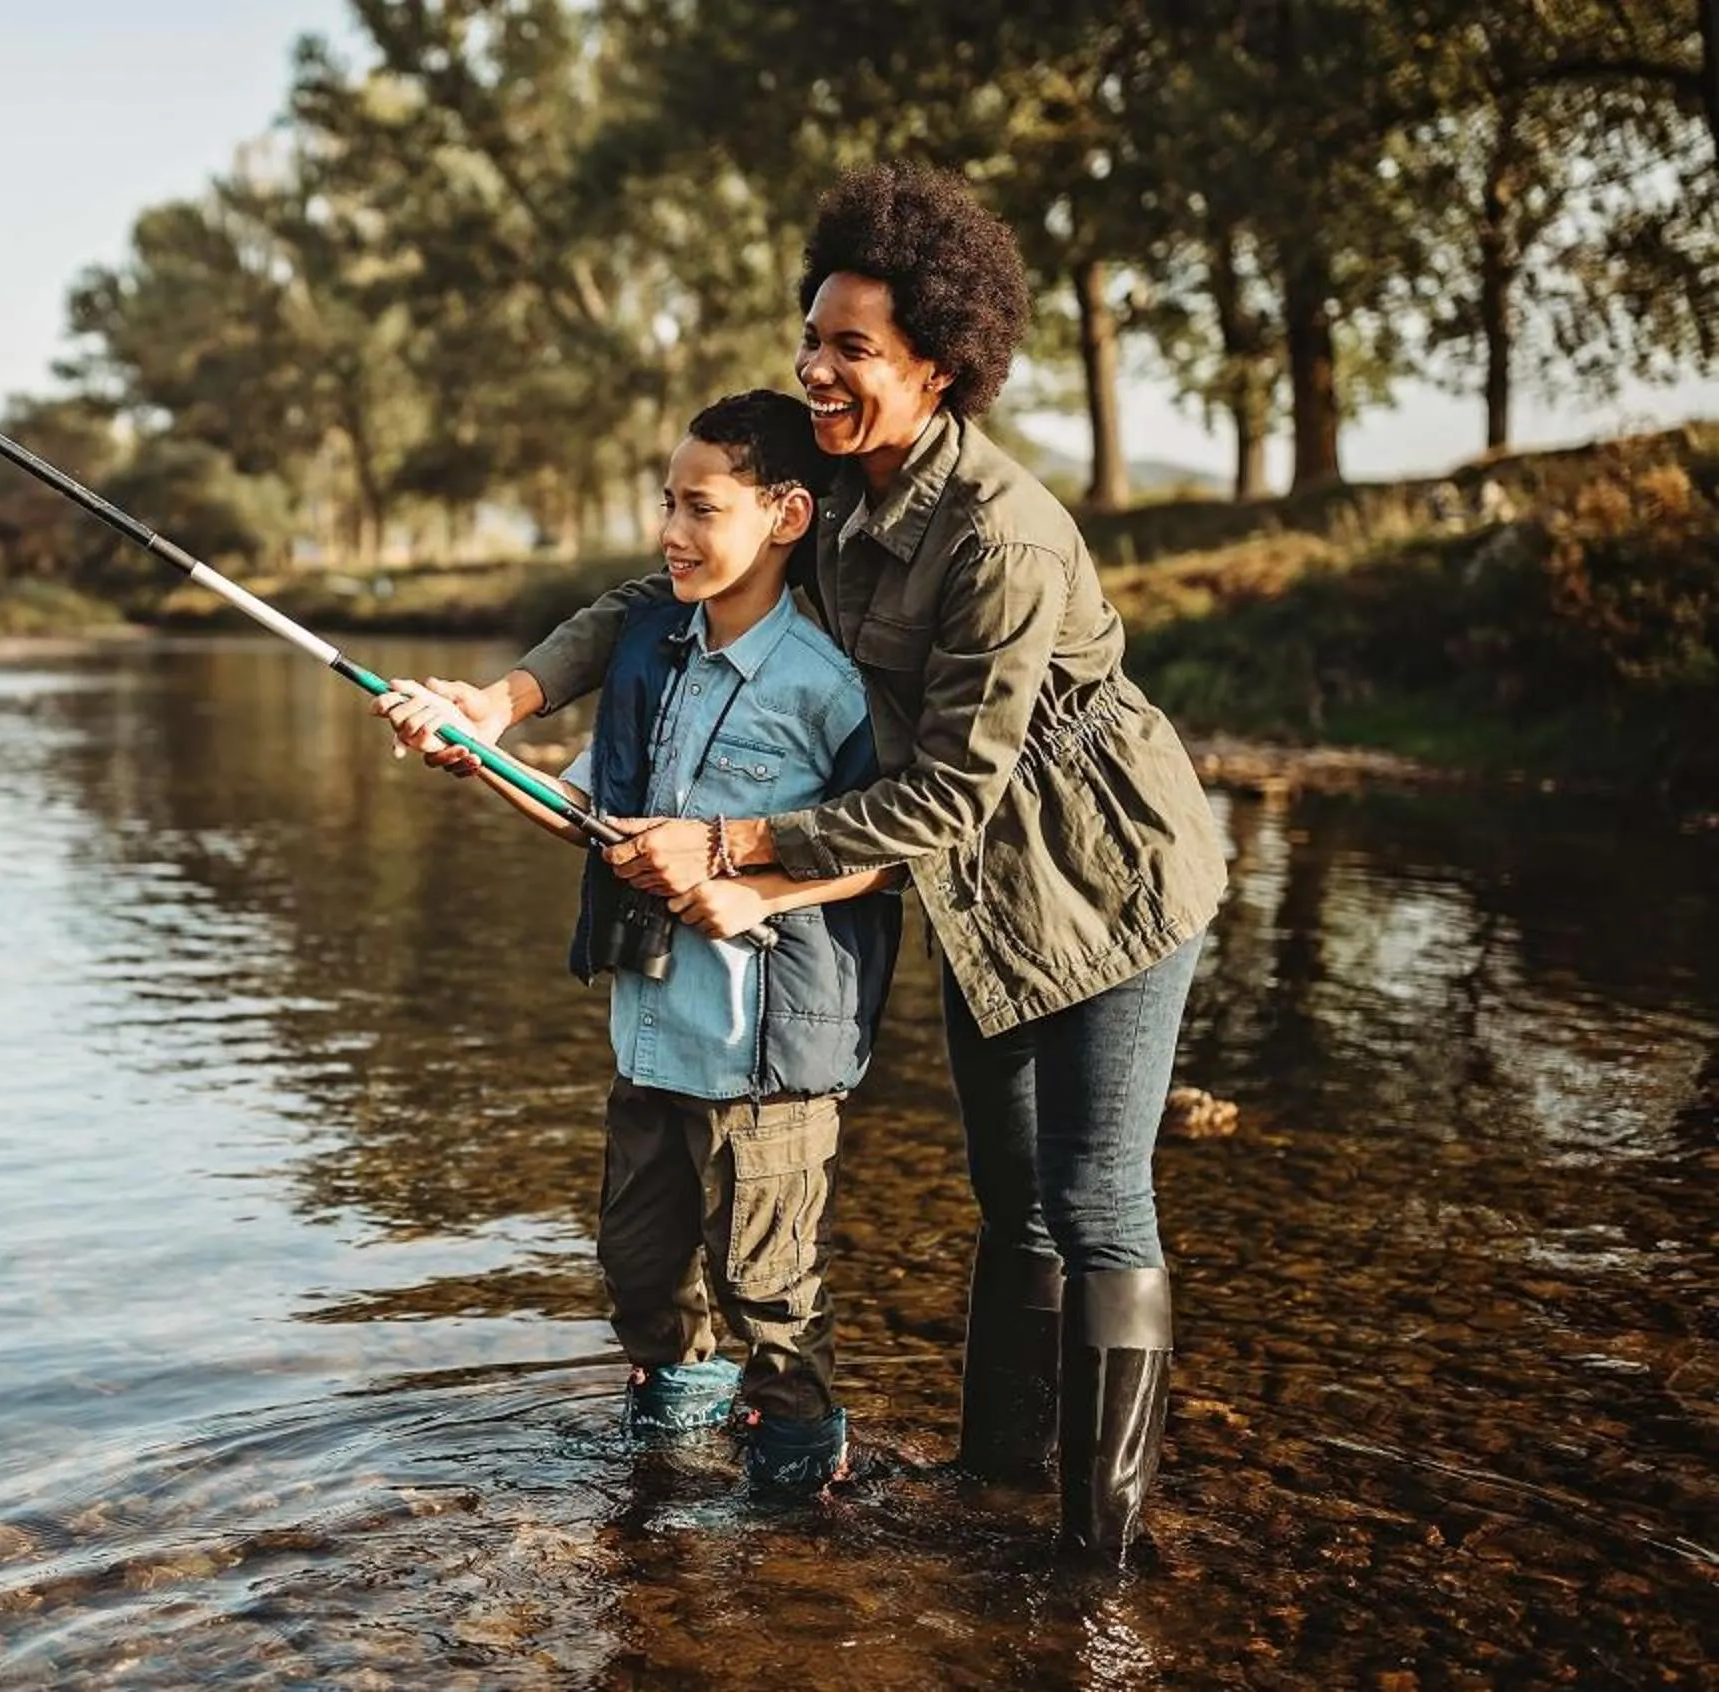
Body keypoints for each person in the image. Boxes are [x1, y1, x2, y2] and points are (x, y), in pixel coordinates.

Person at [406, 163, 1229, 1565]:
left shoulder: (1003, 533)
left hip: (1112, 876)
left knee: (1095, 1195)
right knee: (1008, 1197)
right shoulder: (827, 489)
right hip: (974, 895)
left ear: (943, 366)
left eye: (856, 347)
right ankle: (995, 1481)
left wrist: (736, 848)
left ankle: (1103, 1548)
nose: (820, 368)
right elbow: (642, 600)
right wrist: (505, 703)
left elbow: (959, 784)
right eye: (817, 338)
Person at [378, 391, 902, 1495]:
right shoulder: (648, 655)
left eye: (700, 508)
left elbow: (893, 853)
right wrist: (475, 754)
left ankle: (802, 1488)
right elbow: (587, 820)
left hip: (767, 1060)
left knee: (772, 1290)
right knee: (640, 1276)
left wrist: (756, 893)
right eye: (666, 503)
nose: (671, 531)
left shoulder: (829, 684)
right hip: (651, 1041)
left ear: (786, 515)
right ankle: (672, 1471)